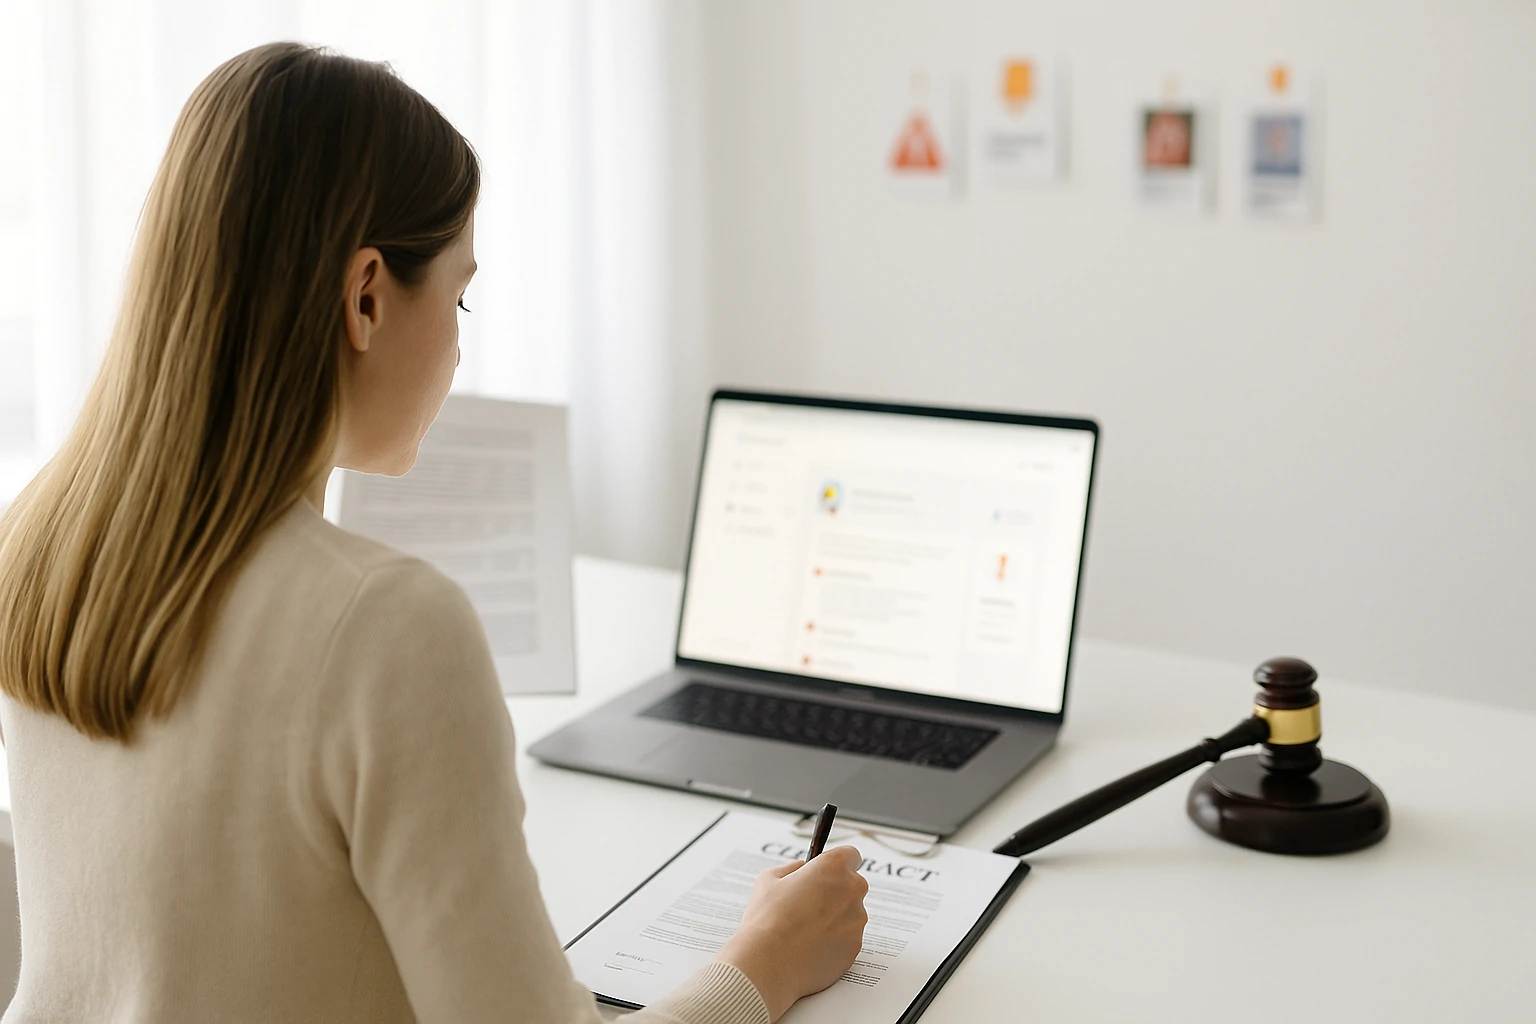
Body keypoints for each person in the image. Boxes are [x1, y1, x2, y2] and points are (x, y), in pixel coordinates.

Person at [0, 42, 867, 1023]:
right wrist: (765, 959)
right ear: (366, 296)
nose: (460, 340)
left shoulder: (38, 544)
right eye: (457, 295)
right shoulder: (386, 625)